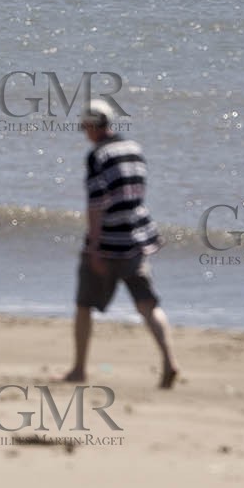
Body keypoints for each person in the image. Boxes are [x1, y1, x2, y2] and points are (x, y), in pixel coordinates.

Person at [63, 101, 178, 388]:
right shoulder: (134, 149)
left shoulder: (97, 156)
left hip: (110, 240)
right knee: (148, 304)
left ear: (92, 126)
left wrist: (95, 248)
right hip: (136, 237)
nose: (85, 134)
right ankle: (169, 360)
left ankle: (79, 369)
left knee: (84, 304)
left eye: (85, 128)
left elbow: (97, 206)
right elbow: (137, 193)